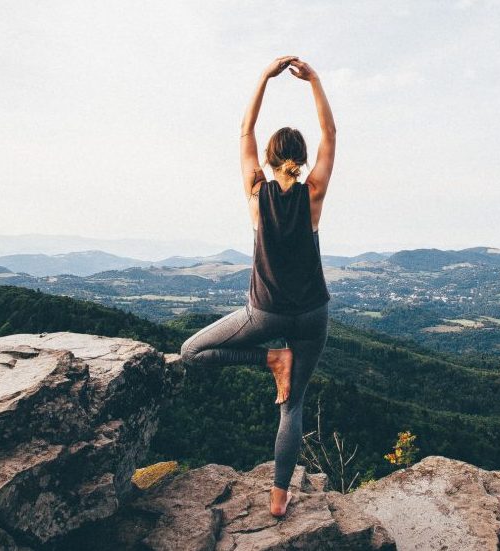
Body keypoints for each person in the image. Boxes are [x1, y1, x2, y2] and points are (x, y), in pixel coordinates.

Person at [179, 55, 336, 518]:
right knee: (293, 408)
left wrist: (264, 78)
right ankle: (279, 497)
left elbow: (245, 130)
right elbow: (331, 135)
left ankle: (270, 358)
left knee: (191, 352)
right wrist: (316, 83)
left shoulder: (254, 191)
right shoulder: (313, 194)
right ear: (301, 161)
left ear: (268, 160)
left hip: (263, 313)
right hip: (312, 315)